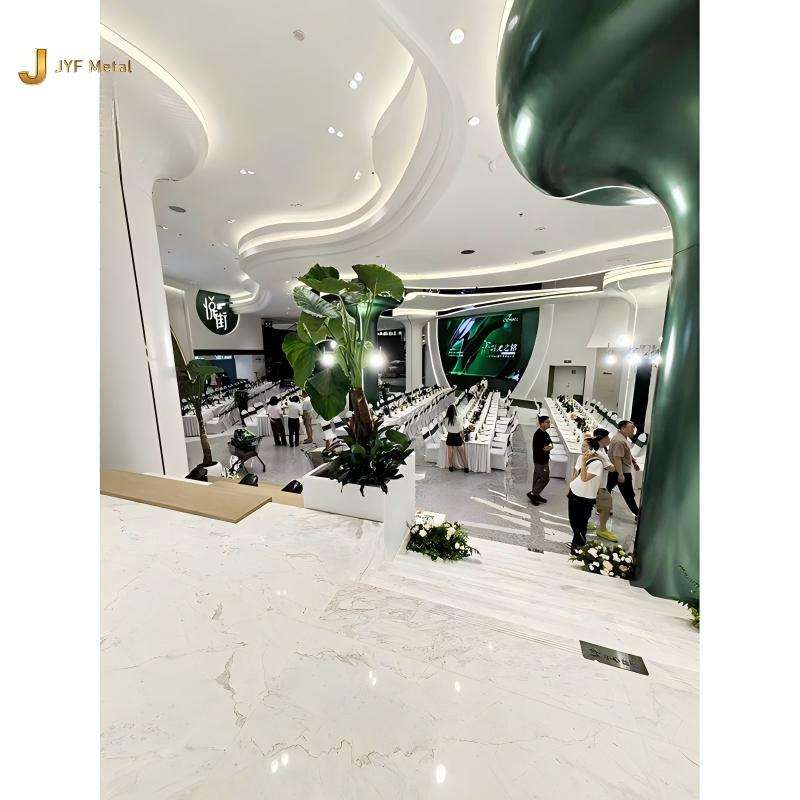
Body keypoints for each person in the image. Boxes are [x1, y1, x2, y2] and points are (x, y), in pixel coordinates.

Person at [567, 436, 606, 553]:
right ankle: (578, 543)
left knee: (581, 522)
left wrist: (584, 462)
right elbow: (576, 473)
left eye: (584, 446)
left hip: (586, 497)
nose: (582, 448)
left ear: (592, 449)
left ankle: (578, 545)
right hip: (574, 492)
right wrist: (570, 486)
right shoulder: (581, 457)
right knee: (573, 520)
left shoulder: (597, 463)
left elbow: (584, 478)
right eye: (582, 445)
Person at [583, 428, 617, 542]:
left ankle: (585, 522)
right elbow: (611, 468)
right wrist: (610, 464)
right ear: (601, 439)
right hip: (599, 486)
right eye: (607, 437)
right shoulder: (599, 453)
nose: (609, 439)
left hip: (594, 484)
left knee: (589, 504)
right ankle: (602, 529)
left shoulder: (598, 449)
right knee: (606, 506)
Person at [607, 420, 641, 519]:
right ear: (623, 428)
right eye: (631, 428)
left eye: (633, 428)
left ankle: (605, 507)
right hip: (621, 471)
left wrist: (633, 462)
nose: (633, 430)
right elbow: (617, 457)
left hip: (617, 470)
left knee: (607, 489)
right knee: (628, 495)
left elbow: (627, 452)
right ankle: (638, 514)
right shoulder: (620, 441)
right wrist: (621, 474)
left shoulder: (622, 438)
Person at [527, 415, 553, 505]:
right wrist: (548, 447)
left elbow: (551, 444)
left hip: (544, 459)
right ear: (541, 423)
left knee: (537, 477)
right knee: (545, 479)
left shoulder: (546, 433)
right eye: (547, 422)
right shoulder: (538, 435)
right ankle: (533, 494)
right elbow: (543, 449)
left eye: (549, 422)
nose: (549, 424)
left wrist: (549, 447)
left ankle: (535, 494)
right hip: (540, 461)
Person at [444, 404, 470, 473]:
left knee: (450, 453)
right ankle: (466, 467)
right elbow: (461, 431)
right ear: (455, 411)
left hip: (450, 436)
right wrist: (463, 439)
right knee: (462, 453)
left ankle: (450, 466)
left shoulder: (445, 419)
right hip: (457, 436)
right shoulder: (458, 419)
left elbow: (446, 428)